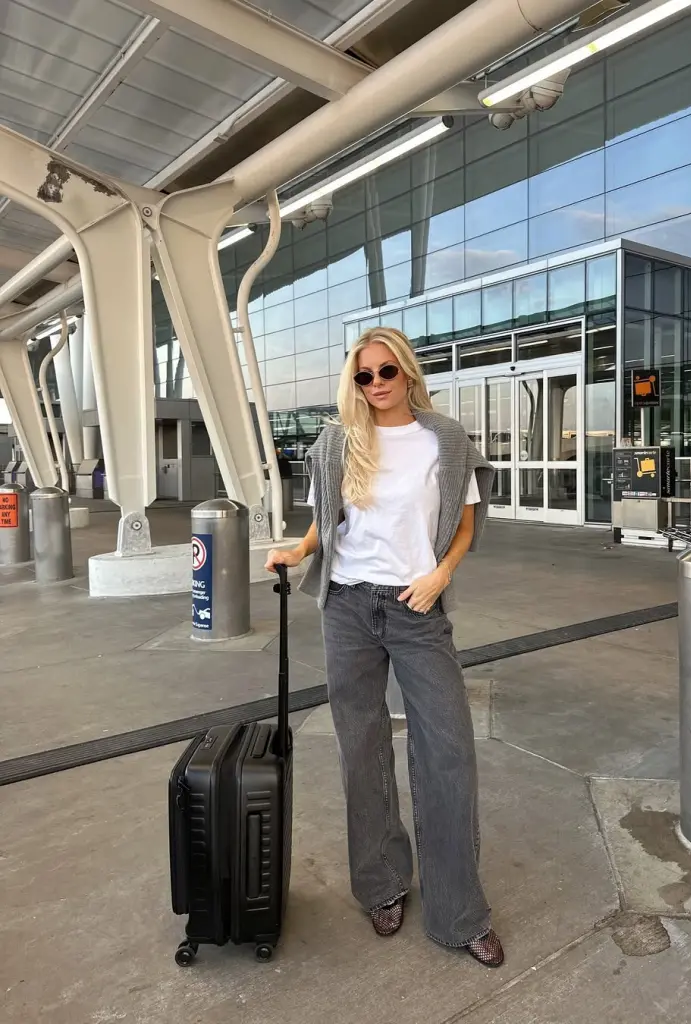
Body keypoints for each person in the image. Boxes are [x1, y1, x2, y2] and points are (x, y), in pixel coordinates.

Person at [265, 326, 504, 968]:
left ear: (407, 373)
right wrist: (299, 548)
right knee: (361, 749)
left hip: (415, 606)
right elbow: (327, 520)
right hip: (346, 607)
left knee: (448, 751)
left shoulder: (444, 439)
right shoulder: (340, 440)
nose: (375, 385)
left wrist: (440, 574)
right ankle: (381, 884)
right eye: (363, 376)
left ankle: (459, 913)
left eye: (386, 372)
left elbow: (464, 524)